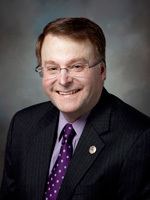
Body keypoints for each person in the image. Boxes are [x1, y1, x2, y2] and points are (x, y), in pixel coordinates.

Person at [0, 17, 150, 200]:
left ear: (102, 71)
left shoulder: (140, 138)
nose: (63, 81)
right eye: (52, 68)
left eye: (76, 66)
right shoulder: (23, 124)